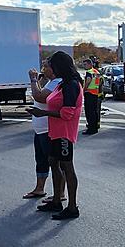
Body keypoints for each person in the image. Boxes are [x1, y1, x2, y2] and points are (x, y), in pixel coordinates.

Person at [27, 50, 83, 220]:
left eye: (50, 65)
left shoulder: (71, 85)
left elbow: (67, 113)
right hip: (55, 132)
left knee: (67, 167)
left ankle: (72, 207)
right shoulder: (60, 83)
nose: (48, 68)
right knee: (53, 162)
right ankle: (57, 200)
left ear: (59, 66)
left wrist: (42, 113)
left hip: (64, 132)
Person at [23, 61, 62, 200]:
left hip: (48, 129)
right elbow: (41, 95)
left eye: (46, 67)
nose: (43, 70)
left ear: (54, 69)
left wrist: (33, 80)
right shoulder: (51, 82)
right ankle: (39, 189)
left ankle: (60, 193)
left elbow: (39, 96)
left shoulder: (57, 82)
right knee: (41, 160)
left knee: (55, 162)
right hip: (40, 129)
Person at [82, 58, 102, 134]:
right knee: (94, 111)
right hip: (95, 93)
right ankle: (95, 127)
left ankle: (91, 129)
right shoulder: (96, 72)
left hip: (89, 93)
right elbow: (99, 83)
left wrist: (83, 90)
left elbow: (88, 81)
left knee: (89, 112)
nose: (84, 66)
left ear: (90, 64)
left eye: (85, 64)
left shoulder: (89, 72)